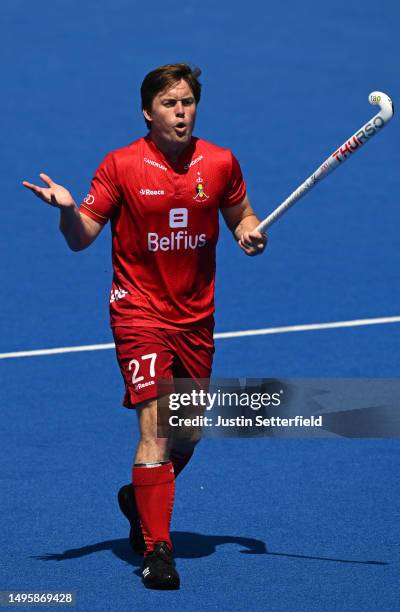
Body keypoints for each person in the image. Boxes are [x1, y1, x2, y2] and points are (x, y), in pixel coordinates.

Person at [23, 63, 267, 590]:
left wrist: (251, 231)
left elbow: (241, 214)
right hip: (139, 313)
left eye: (187, 103)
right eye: (169, 104)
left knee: (188, 433)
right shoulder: (122, 165)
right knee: (156, 425)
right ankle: (158, 551)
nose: (180, 112)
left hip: (196, 318)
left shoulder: (221, 162)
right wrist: (67, 210)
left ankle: (140, 497)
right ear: (147, 112)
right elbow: (82, 236)